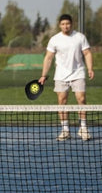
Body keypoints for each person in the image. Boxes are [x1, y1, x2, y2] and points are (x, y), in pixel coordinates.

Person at [39, 13, 94, 141]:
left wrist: (90, 68)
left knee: (81, 99)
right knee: (62, 101)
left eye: (67, 24)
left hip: (78, 73)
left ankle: (83, 128)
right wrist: (43, 75)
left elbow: (87, 53)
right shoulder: (54, 39)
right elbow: (48, 58)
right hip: (60, 75)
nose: (65, 26)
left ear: (71, 24)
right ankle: (65, 130)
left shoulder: (80, 37)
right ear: (60, 25)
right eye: (63, 24)